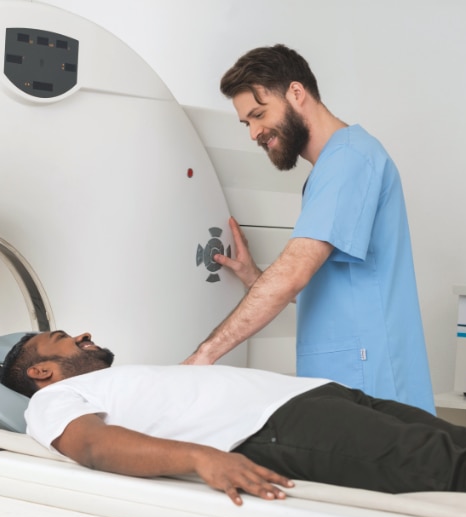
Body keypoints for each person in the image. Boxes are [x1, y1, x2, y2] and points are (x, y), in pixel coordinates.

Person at [2, 330, 466, 517]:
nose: (82, 336)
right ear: (41, 374)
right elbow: (89, 446)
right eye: (63, 339)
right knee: (456, 471)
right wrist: (198, 457)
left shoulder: (113, 377)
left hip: (317, 398)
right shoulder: (53, 404)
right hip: (273, 430)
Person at [183, 44, 435, 414]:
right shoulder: (336, 165)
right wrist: (255, 277)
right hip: (352, 379)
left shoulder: (348, 160)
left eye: (258, 114)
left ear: (296, 93)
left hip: (369, 383)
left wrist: (205, 355)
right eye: (246, 123)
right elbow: (340, 291)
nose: (253, 133)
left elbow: (294, 272)